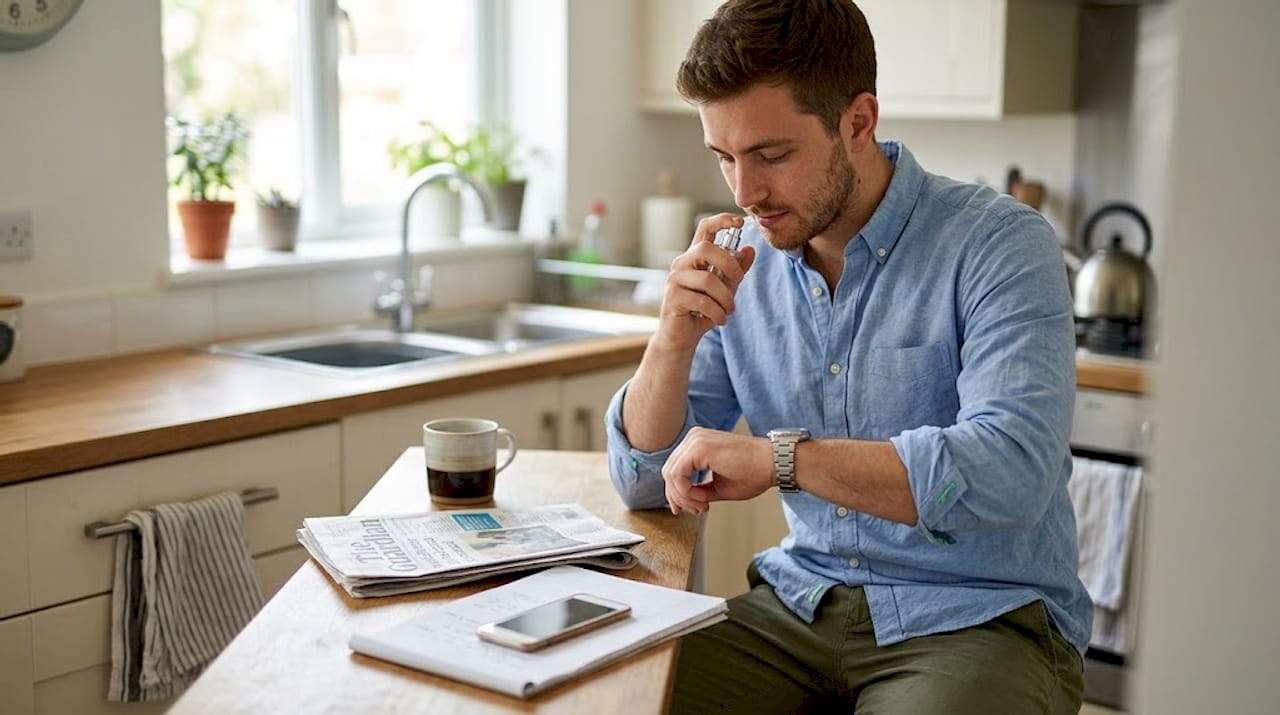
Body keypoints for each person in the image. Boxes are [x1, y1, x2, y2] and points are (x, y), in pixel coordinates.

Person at [603, 0, 1091, 712]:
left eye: (771, 155)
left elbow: (1010, 470)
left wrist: (783, 459)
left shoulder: (998, 244)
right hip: (797, 608)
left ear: (858, 122)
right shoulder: (744, 261)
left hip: (980, 619)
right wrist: (671, 341)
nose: (746, 192)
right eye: (725, 158)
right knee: (618, 695)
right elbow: (643, 479)